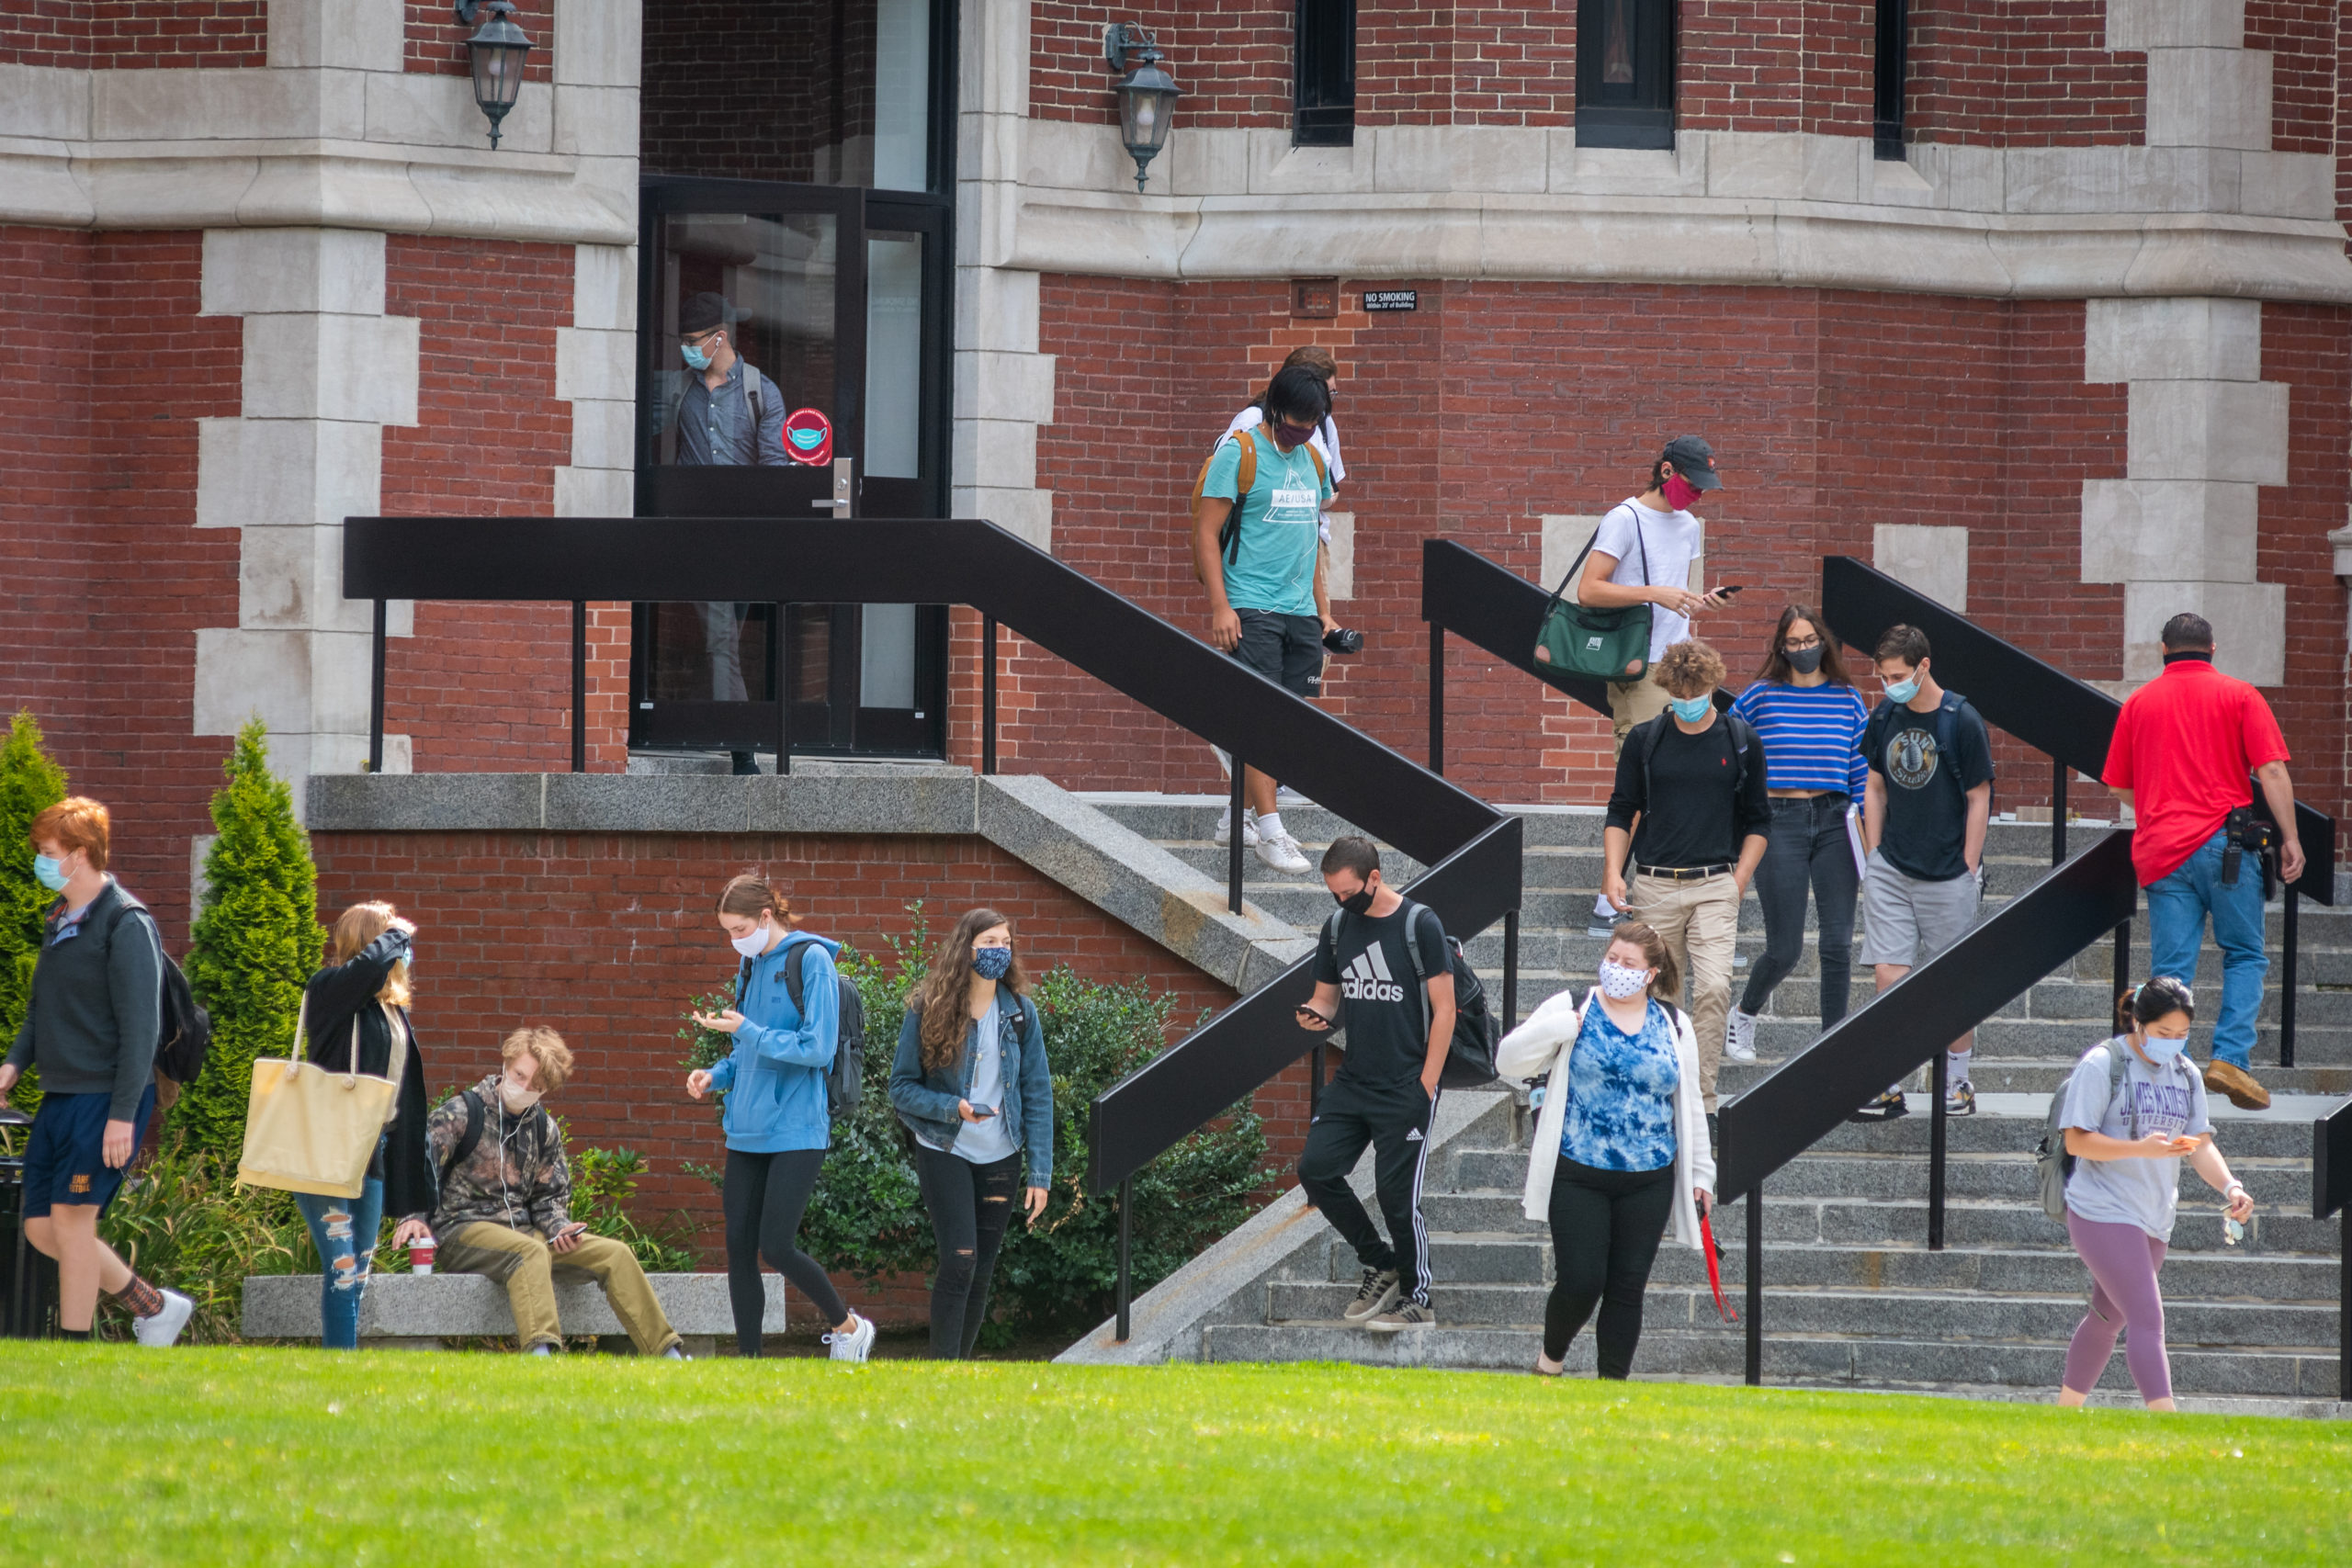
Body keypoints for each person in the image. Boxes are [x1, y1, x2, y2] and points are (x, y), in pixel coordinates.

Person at [0, 798, 193, 1347]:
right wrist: (13, 1064)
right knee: (42, 1227)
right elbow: (41, 1011)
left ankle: (74, 1350)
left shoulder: (126, 923)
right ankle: (153, 1308)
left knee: (71, 1224)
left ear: (80, 855)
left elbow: (141, 1032)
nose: (40, 860)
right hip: (61, 1096)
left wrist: (120, 1117)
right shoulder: (59, 921)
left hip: (107, 1099)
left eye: (48, 852)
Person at [2101, 613, 2303, 1111]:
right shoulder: (2239, 695)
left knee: (2172, 968)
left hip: (2163, 851)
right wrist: (2291, 837)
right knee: (2245, 954)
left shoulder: (2140, 703)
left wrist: (2157, 805)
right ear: (2212, 648)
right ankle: (2230, 1059)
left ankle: (2172, 1068)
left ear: (2163, 650)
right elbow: (2271, 769)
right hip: (2227, 846)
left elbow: (2116, 783)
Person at [1496, 923, 1715, 1380]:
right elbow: (1507, 1060)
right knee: (1581, 1280)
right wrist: (1557, 1029)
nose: (1617, 969)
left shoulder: (1675, 1024)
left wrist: (1701, 1175)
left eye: (1629, 964)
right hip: (1578, 1171)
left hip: (1650, 1176)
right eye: (1612, 958)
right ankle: (1550, 1361)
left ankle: (1611, 1389)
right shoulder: (1572, 1005)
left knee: (1627, 1287)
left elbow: (1691, 1100)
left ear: (1651, 973)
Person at [393, 1027, 684, 1358]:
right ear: (505, 1064)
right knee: (529, 1252)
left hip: (525, 1233)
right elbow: (419, 1166)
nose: (524, 1087)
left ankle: (667, 1354)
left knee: (614, 1254)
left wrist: (559, 1227)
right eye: (519, 1075)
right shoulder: (461, 1112)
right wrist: (414, 1216)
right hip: (462, 1231)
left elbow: (550, 1197)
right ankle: (541, 1355)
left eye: (536, 1085)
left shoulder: (544, 1128)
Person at [685, 873, 876, 1360]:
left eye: (739, 928)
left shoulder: (810, 960)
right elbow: (743, 1053)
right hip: (745, 1129)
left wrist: (749, 1030)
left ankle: (850, 1327)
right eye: (726, 931)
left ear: (766, 917)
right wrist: (713, 1075)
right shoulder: (750, 967)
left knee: (776, 1245)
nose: (734, 940)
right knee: (738, 1245)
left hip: (796, 1128)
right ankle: (750, 1362)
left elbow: (818, 1048)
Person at [2055, 978, 2255, 1412]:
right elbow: (2077, 1142)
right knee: (2148, 1318)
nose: (2174, 1044)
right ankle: (2167, 1422)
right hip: (2101, 1209)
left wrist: (2230, 1186)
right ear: (2138, 1022)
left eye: (2183, 1035)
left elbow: (2200, 1143)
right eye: (2165, 1034)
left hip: (2154, 1215)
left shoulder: (2186, 1073)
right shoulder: (2103, 1063)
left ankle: (2063, 1415)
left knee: (2108, 1318)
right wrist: (2140, 1148)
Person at [1598, 640, 1770, 1119]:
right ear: (1667, 688)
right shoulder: (1646, 740)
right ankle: (1658, 1097)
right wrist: (1613, 870)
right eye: (1678, 691)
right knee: (1659, 994)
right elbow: (1621, 809)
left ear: (1713, 686)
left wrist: (1737, 882)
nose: (1687, 699)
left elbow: (1759, 821)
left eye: (1696, 690)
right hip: (1653, 882)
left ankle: (1701, 1101)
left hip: (1716, 882)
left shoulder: (1741, 740)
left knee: (1714, 988)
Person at [1294, 835, 1454, 1332]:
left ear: (1375, 878)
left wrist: (1426, 1086)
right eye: (1334, 894)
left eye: (1349, 892)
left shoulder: (1419, 924)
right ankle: (1379, 1261)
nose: (1342, 902)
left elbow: (1446, 1009)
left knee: (1395, 1194)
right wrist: (1313, 1015)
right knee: (1315, 1169)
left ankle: (1417, 1297)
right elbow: (1326, 997)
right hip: (1355, 1079)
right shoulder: (1339, 926)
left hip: (1407, 1081)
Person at [1579, 435, 1731, 932]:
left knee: (1680, 778)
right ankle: (1612, 892)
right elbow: (1590, 589)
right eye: (1693, 484)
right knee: (1641, 779)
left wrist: (1697, 601)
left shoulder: (1688, 525)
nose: (1699, 495)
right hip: (1638, 666)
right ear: (1666, 472)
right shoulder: (1624, 518)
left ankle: (1658, 886)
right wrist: (1656, 594)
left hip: (1679, 665)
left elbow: (1676, 596)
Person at [889, 908, 1054, 1359]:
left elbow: (1037, 1091)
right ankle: (941, 1369)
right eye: (989, 944)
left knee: (980, 1270)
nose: (999, 951)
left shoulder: (1021, 1012)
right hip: (945, 1147)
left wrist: (1041, 1174)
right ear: (967, 949)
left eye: (1005, 943)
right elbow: (900, 1087)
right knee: (960, 1258)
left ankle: (955, 1374)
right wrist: (951, 1107)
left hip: (1002, 1153)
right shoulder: (929, 1006)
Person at [1193, 363, 1337, 875]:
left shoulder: (1315, 461)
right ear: (1275, 409)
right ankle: (1271, 831)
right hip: (1251, 606)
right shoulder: (1241, 452)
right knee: (1264, 720)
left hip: (1300, 610)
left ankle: (1237, 810)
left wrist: (1323, 611)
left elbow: (1310, 541)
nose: (1304, 428)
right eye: (1296, 420)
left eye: (1314, 421)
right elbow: (1207, 532)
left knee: (1289, 725)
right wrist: (1220, 606)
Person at [1849, 624, 1995, 1121]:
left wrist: (1969, 864)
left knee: (1952, 983)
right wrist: (1874, 852)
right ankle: (1887, 1080)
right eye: (1884, 675)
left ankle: (1956, 1082)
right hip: (1892, 864)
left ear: (1923, 666)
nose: (1890, 683)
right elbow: (1873, 784)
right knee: (1889, 975)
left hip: (1947, 869)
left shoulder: (1961, 719)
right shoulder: (1886, 713)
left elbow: (1979, 797)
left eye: (1898, 674)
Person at [1724, 605, 1871, 1064]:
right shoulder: (1760, 697)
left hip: (1835, 820)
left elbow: (1861, 771)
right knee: (1784, 947)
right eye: (1794, 642)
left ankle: (1834, 1042)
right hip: (1778, 820)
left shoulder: (1849, 698)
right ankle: (1745, 1014)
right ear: (1781, 648)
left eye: (1811, 641)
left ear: (1824, 643)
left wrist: (1868, 829)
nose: (1804, 649)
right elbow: (1728, 750)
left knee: (1837, 943)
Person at [291, 902, 434, 1350]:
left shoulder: (389, 1010)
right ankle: (341, 1363)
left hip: (372, 1152)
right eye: (395, 943)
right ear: (373, 945)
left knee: (360, 1270)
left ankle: (343, 1363)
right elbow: (366, 968)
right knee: (342, 1266)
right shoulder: (331, 991)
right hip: (326, 1152)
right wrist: (397, 933)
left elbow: (404, 1096)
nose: (404, 952)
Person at [659, 289, 788, 774]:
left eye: (694, 341)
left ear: (720, 338)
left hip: (745, 539)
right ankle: (741, 749)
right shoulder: (678, 388)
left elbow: (774, 470)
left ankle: (715, 722)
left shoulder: (761, 393)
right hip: (696, 537)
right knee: (721, 639)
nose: (687, 350)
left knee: (725, 640)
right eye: (682, 341)